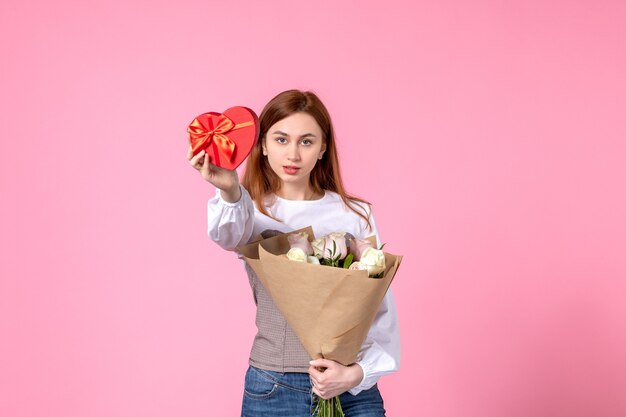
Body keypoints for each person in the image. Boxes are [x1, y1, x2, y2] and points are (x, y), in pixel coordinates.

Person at [187, 89, 400, 416]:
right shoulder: (250, 210)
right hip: (275, 385)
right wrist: (229, 189)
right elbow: (225, 235)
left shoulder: (354, 213)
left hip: (352, 391)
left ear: (323, 147)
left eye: (306, 141)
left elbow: (378, 309)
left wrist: (355, 375)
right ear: (262, 144)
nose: (293, 155)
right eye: (281, 139)